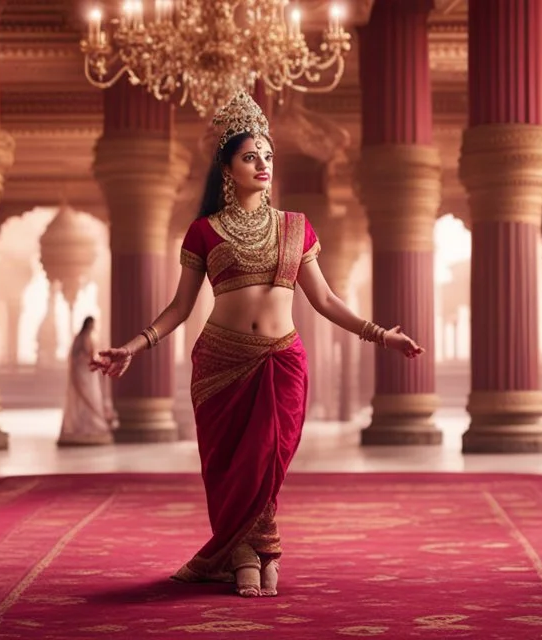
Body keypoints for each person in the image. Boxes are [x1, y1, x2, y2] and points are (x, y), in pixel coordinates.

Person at [91, 91, 423, 598]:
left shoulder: (296, 227)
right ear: (228, 166)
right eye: (250, 156)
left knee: (267, 462)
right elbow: (180, 307)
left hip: (282, 361)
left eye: (268, 156)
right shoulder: (203, 232)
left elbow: (326, 300)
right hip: (221, 362)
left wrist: (382, 335)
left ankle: (252, 551)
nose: (262, 164)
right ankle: (252, 553)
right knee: (231, 468)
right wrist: (133, 347)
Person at [58, 316, 114, 446]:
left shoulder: (87, 337)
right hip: (84, 372)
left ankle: (91, 426)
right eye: (92, 324)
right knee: (87, 398)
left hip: (88, 372)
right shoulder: (82, 338)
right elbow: (80, 356)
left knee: (92, 397)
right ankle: (83, 426)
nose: (94, 326)